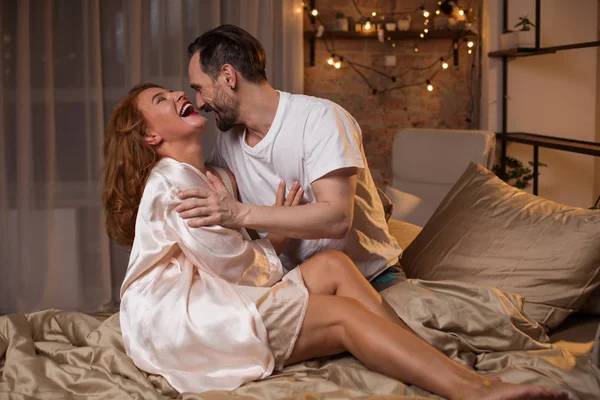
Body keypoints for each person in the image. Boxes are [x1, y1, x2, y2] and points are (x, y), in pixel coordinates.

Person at [100, 83, 566, 400]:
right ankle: (473, 391)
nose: (183, 94)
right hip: (186, 324)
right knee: (343, 316)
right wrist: (279, 231)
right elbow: (240, 269)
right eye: (163, 99)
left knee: (335, 266)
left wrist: (269, 228)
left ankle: (420, 358)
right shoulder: (175, 183)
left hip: (209, 298)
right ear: (150, 134)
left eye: (181, 90)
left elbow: (239, 257)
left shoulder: (204, 173)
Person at [176, 25, 403, 292]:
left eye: (200, 89)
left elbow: (336, 218)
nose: (200, 102)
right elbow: (201, 190)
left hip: (371, 279)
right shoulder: (228, 144)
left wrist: (239, 213)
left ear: (228, 76)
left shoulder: (319, 118)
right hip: (298, 286)